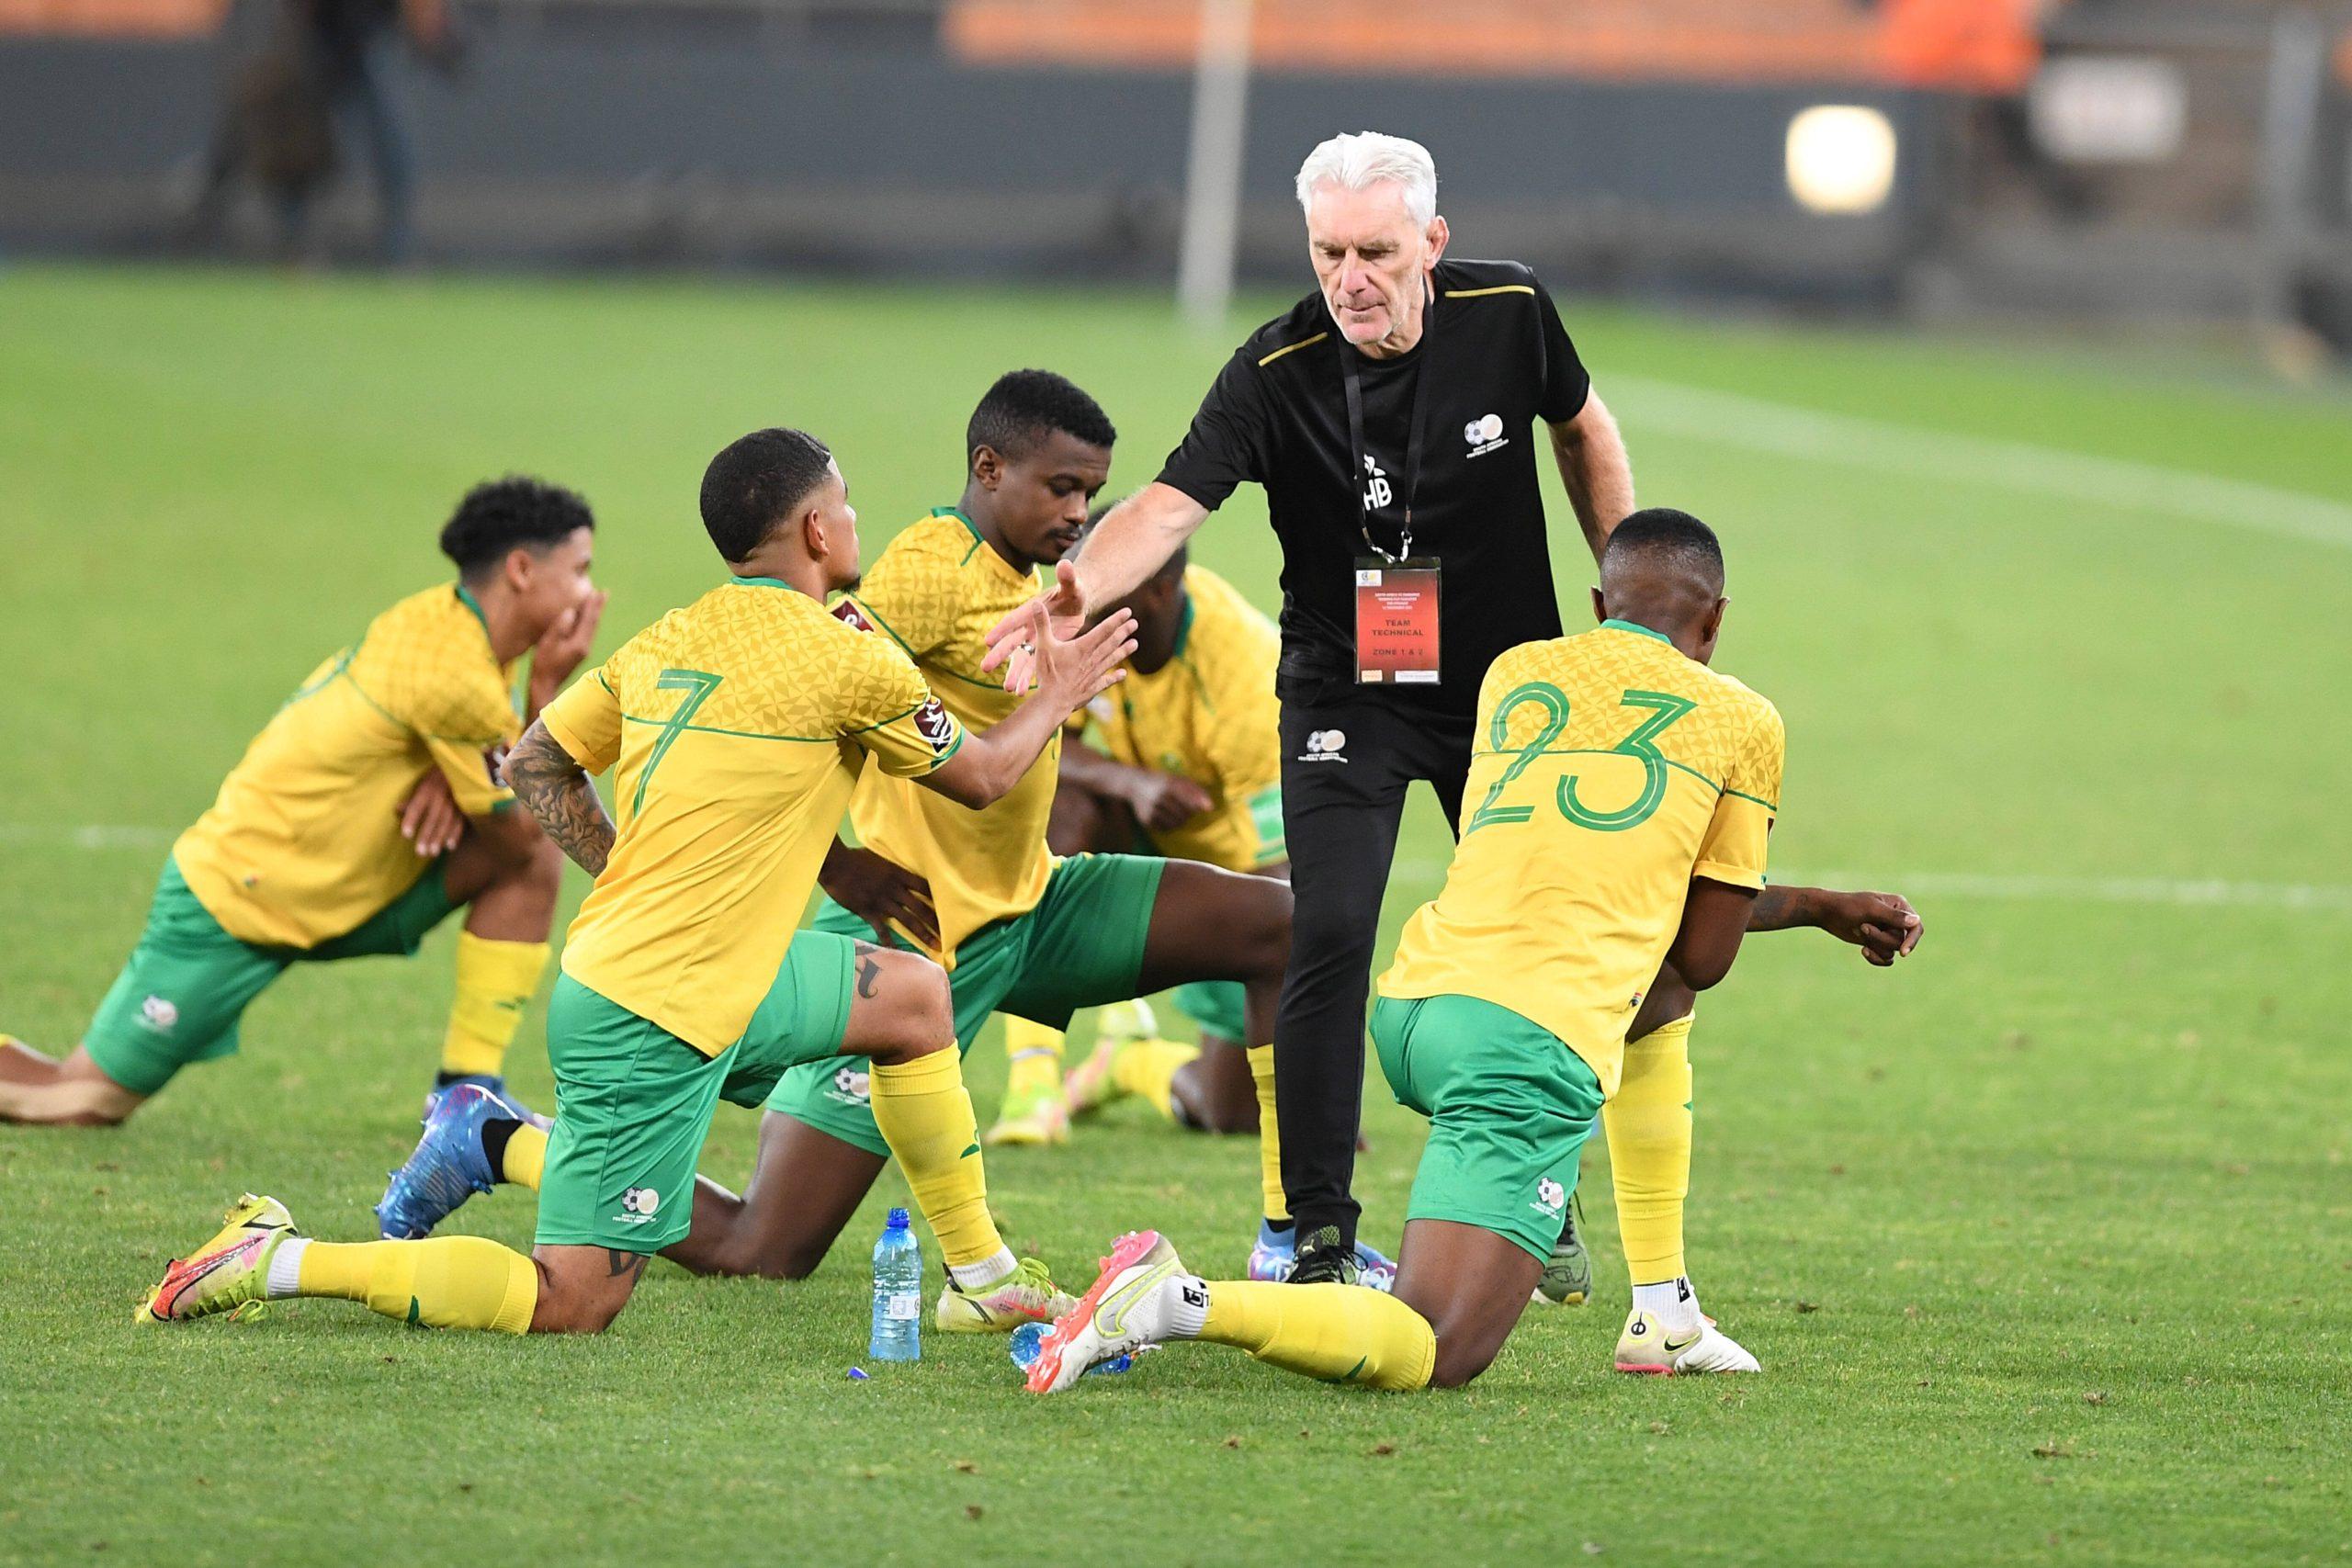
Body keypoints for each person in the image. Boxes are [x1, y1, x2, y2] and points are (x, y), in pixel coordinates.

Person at [371, 372, 1383, 1299]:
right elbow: (808, 702)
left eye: (1090, 492)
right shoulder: (924, 576)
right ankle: (499, 1137)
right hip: (922, 932)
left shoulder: (1032, 575)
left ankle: (1291, 1239)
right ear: (988, 471)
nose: (1079, 516)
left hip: (1035, 901)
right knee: (765, 1250)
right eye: (1062, 489)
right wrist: (842, 861)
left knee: (1286, 929)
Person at [137, 427, 1138, 1336]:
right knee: (571, 1302)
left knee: (914, 1000)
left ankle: (983, 1275)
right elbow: (987, 778)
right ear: (815, 528)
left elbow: (536, 761)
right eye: (848, 504)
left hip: (713, 972)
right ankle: (278, 1259)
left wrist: (627, 877)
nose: (855, 520)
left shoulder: (670, 637)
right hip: (647, 1014)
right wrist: (1056, 692)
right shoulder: (849, 662)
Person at [1030, 510, 1804, 1391]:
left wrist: (1820, 906)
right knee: (1436, 1344)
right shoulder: (1743, 716)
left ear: (1598, 602)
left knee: (1655, 998)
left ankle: (1663, 1309)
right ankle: (1175, 1300)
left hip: (1413, 1009)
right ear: (1715, 620)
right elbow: (1703, 953)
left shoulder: (1521, 671)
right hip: (1524, 1042)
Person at [1, 478, 604, 1128]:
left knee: (529, 855)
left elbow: (496, 777)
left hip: (350, 886)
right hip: (238, 897)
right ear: (521, 569)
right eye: (580, 571)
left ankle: (466, 1096)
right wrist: (546, 685)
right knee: (80, 1099)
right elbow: (518, 822)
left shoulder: (450, 626)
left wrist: (452, 771)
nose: (589, 594)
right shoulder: (455, 671)